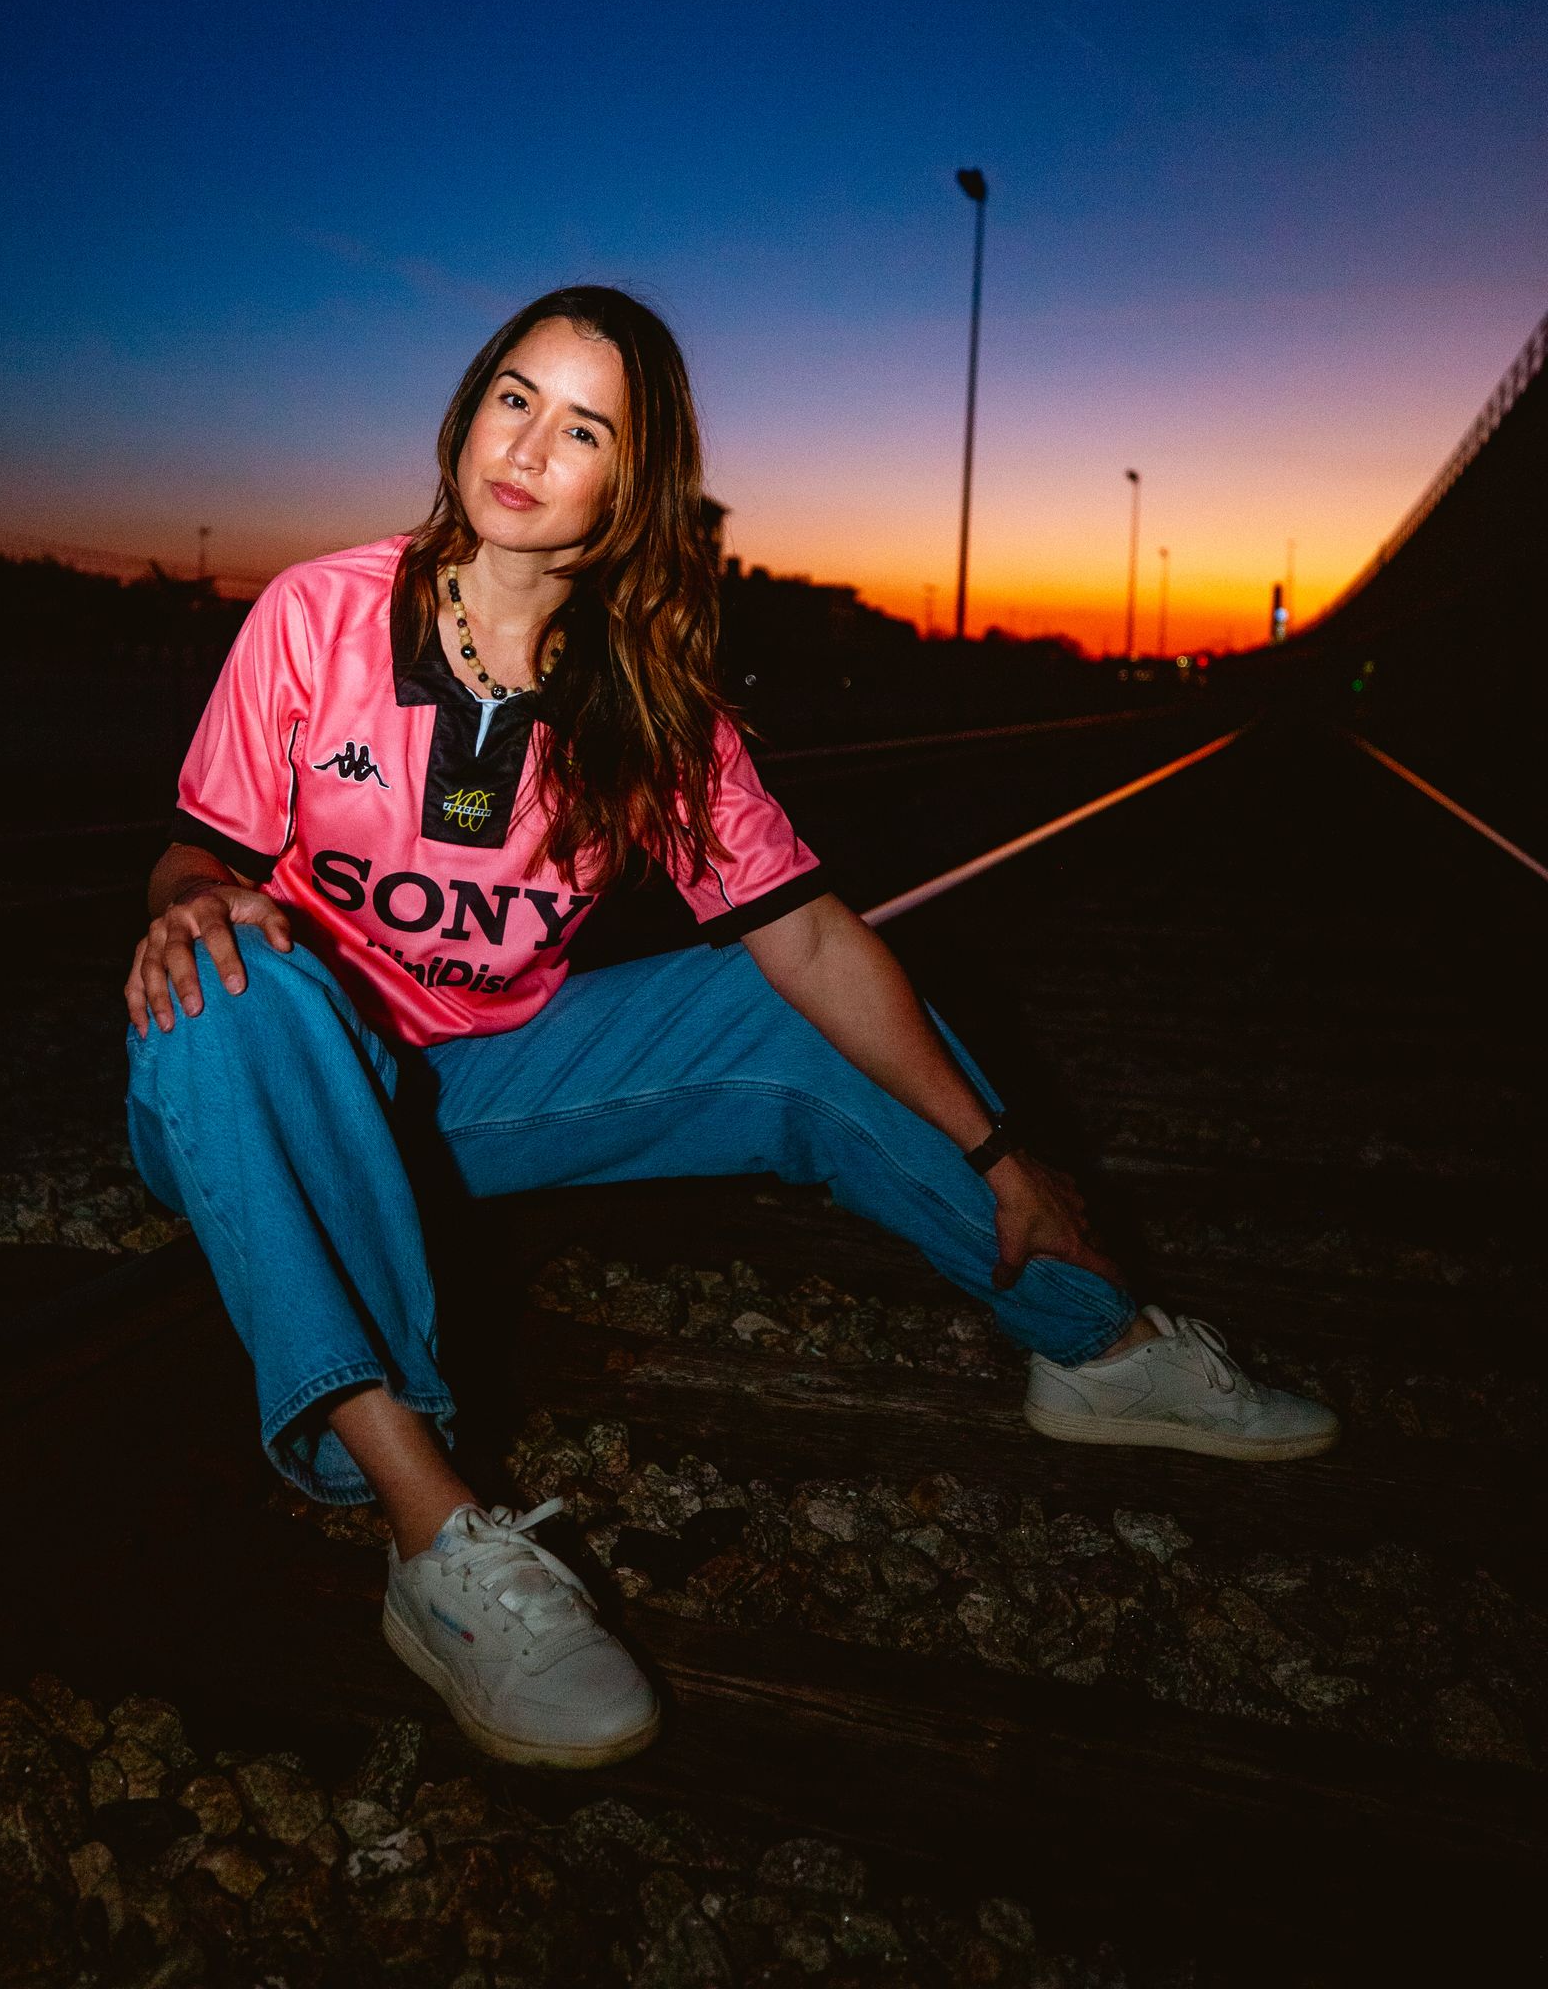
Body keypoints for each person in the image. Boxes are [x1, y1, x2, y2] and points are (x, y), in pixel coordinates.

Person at [123, 284, 1336, 1771]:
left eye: (584, 428)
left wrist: (1007, 1152)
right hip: (266, 1087)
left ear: (630, 490)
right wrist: (188, 899)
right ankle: (434, 1537)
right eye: (512, 397)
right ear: (464, 412)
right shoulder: (316, 616)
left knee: (774, 1009)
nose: (528, 445)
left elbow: (812, 937)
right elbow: (198, 856)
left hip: (471, 1088)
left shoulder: (646, 704)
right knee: (237, 982)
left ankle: (1094, 1343)